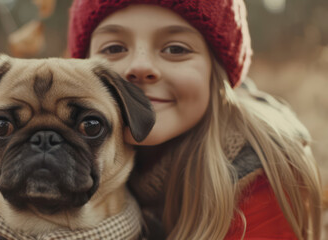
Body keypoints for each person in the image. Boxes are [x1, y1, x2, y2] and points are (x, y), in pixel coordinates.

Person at [67, 1, 323, 239]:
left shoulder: (260, 177)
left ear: (216, 71)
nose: (140, 66)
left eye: (176, 49)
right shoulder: (53, 152)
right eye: (114, 48)